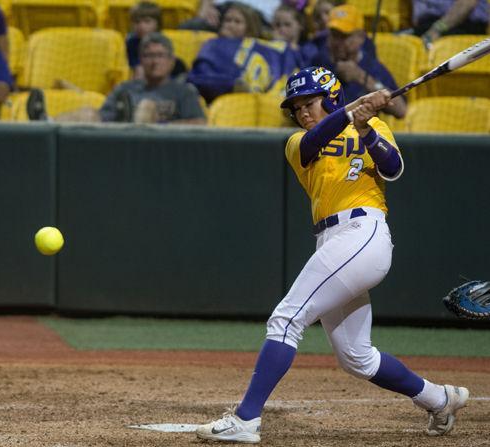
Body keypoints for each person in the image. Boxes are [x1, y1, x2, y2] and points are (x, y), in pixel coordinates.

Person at [195, 66, 470, 444]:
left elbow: (393, 168)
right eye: (297, 107)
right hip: (333, 241)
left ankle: (246, 420)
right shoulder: (298, 142)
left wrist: (367, 128)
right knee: (357, 357)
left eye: (310, 101)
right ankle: (440, 399)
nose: (304, 111)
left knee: (287, 318)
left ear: (331, 96)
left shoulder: (370, 125)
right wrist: (351, 111)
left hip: (363, 232)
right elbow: (314, 141)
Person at [187, 2, 300, 103]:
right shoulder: (212, 43)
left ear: (249, 28)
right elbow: (200, 74)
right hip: (219, 91)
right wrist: (232, 84)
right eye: (227, 20)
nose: (231, 24)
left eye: (237, 21)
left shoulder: (265, 46)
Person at [309, 4, 406, 118]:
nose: (338, 42)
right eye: (335, 36)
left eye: (344, 36)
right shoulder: (319, 62)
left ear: (360, 37)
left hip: (358, 132)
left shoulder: (372, 66)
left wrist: (360, 76)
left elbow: (400, 110)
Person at [98, 32, 205, 124]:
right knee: (87, 114)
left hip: (165, 144)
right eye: (149, 56)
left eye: (160, 55)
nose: (154, 62)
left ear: (171, 61)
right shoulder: (123, 90)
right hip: (123, 143)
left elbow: (199, 123)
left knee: (147, 108)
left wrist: (160, 126)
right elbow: (102, 119)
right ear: (141, 61)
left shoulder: (184, 92)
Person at [125, 1, 186, 81]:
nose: (141, 26)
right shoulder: (131, 43)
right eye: (137, 22)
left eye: (147, 21)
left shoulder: (163, 41)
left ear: (157, 24)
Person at [412, 0, 489, 47]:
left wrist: (437, 29)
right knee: (401, 38)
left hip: (460, 25)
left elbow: (466, 3)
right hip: (426, 26)